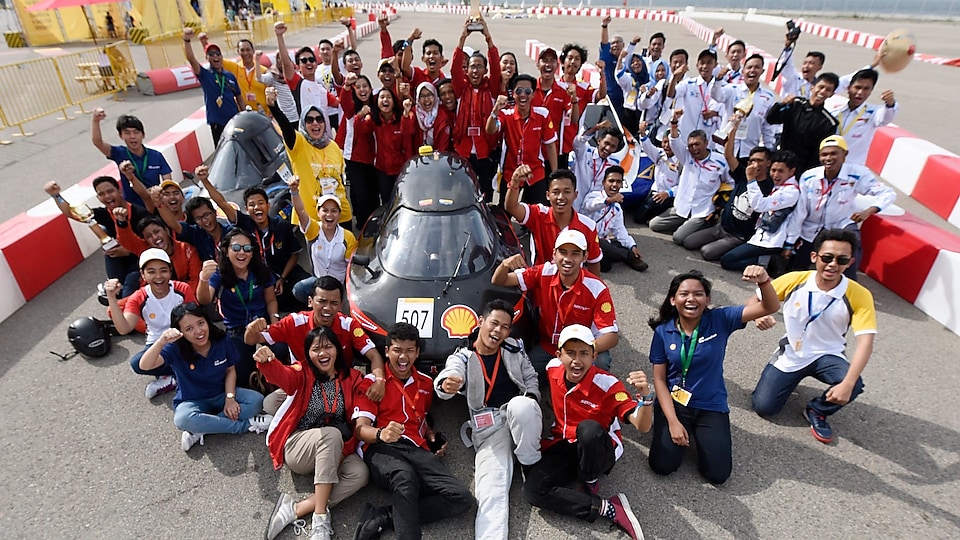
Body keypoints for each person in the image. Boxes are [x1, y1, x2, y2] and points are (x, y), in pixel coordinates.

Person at [647, 267, 779, 484]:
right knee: (662, 466)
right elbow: (660, 380)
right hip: (674, 403)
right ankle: (671, 424)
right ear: (673, 300)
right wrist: (672, 422)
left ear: (707, 299)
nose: (691, 299)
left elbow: (770, 306)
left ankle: (701, 433)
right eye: (684, 294)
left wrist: (764, 281)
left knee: (717, 475)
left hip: (711, 404)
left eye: (698, 294)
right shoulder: (663, 331)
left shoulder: (721, 318)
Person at [522, 324, 651, 540]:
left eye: (584, 353)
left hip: (599, 446)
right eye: (570, 353)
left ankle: (589, 479)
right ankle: (609, 508)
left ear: (594, 355)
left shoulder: (609, 385)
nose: (576, 360)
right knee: (532, 491)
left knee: (588, 429)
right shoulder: (552, 369)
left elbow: (643, 426)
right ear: (558, 355)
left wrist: (646, 398)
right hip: (564, 443)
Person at [750, 228, 875, 445]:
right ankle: (785, 378)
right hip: (792, 353)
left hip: (828, 355)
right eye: (827, 257)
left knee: (853, 383)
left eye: (841, 259)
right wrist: (757, 317)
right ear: (814, 257)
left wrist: (847, 383)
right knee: (764, 407)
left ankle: (817, 410)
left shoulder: (859, 294)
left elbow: (866, 342)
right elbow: (753, 301)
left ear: (850, 262)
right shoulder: (794, 280)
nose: (833, 264)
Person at [352, 323, 474, 540]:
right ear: (387, 351)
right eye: (397, 350)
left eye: (409, 350)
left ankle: (384, 517)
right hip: (381, 448)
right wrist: (381, 434)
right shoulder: (372, 383)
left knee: (461, 497)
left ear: (417, 352)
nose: (403, 357)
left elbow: (419, 416)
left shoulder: (426, 383)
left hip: (416, 449)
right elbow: (361, 430)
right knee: (404, 478)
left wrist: (430, 435)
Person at [434, 299, 541, 540]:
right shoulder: (462, 356)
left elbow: (531, 377)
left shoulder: (514, 347)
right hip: (489, 426)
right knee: (490, 489)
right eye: (494, 323)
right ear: (481, 322)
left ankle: (529, 463)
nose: (498, 331)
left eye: (505, 327)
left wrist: (532, 397)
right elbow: (450, 374)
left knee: (522, 405)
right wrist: (446, 384)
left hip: (520, 415)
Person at [255, 327, 369, 540]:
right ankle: (319, 521)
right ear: (308, 354)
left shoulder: (353, 378)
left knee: (360, 473)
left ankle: (296, 508)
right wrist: (267, 362)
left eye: (328, 347)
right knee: (332, 435)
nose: (323, 353)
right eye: (316, 349)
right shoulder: (303, 371)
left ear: (337, 350)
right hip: (300, 447)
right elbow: (284, 376)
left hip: (337, 449)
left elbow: (360, 415)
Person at [138, 302, 272, 451]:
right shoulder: (175, 348)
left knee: (256, 401)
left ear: (207, 321)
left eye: (201, 323)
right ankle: (244, 425)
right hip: (192, 400)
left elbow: (230, 370)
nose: (198, 331)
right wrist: (161, 341)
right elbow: (144, 365)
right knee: (182, 419)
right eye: (189, 329)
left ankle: (202, 427)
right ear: (180, 332)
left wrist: (229, 398)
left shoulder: (221, 339)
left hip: (221, 394)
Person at [244, 275, 387, 411]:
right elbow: (251, 340)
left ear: (340, 306)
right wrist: (252, 328)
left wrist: (380, 380)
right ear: (310, 301)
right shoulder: (294, 322)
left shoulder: (349, 325)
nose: (327, 308)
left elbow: (374, 356)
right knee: (270, 404)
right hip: (304, 383)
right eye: (322, 301)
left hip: (340, 383)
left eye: (334, 303)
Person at [492, 229, 618, 376]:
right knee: (522, 374)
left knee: (601, 361)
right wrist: (504, 265)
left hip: (583, 348)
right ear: (554, 254)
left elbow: (611, 337)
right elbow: (499, 280)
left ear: (585, 257)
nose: (567, 259)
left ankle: (592, 393)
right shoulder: (544, 271)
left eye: (575, 253)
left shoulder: (597, 288)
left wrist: (582, 351)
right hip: (549, 346)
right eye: (563, 252)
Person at [194, 166, 309, 311]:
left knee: (311, 286)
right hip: (259, 282)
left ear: (268, 205)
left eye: (260, 203)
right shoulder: (244, 224)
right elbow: (222, 203)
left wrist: (282, 278)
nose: (257, 207)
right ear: (247, 209)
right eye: (252, 205)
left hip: (287, 277)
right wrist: (205, 181)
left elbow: (294, 254)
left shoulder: (282, 226)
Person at [788, 135, 896, 279]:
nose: (828, 158)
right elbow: (800, 211)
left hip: (842, 225)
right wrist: (790, 241)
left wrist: (869, 211)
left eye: (834, 153)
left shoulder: (858, 174)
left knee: (850, 252)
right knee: (794, 270)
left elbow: (888, 193)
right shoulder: (809, 177)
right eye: (824, 154)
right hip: (811, 229)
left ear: (844, 155)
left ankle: (848, 288)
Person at [104, 248, 195, 399]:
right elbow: (124, 328)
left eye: (163, 270)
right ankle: (178, 376)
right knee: (137, 363)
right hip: (158, 342)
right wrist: (112, 298)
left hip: (184, 339)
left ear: (170, 271)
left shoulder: (182, 289)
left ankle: (176, 375)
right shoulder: (139, 297)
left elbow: (195, 319)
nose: (158, 277)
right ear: (143, 275)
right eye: (151, 272)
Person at [196, 228, 280, 389]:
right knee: (241, 373)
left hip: (262, 323)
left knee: (281, 351)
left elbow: (270, 300)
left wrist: (275, 322)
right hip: (237, 328)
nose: (242, 253)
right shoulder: (219, 274)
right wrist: (203, 279)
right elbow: (204, 298)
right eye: (236, 248)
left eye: (247, 249)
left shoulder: (261, 270)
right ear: (226, 251)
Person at [266, 87, 352, 228]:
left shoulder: (333, 147)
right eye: (310, 120)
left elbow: (341, 179)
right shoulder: (298, 144)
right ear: (303, 125)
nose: (315, 123)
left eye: (319, 119)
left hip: (340, 214)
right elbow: (286, 127)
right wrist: (273, 107)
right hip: (311, 218)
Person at [649, 109, 733, 245]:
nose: (693, 148)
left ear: (706, 143)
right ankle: (686, 226)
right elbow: (675, 141)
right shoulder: (686, 156)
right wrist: (674, 123)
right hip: (681, 207)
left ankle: (704, 225)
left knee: (678, 238)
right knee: (654, 225)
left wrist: (719, 204)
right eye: (691, 145)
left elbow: (729, 183)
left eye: (697, 144)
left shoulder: (720, 161)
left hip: (702, 210)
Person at [681, 141, 773, 261]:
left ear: (768, 163)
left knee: (706, 252)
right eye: (752, 161)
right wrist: (734, 128)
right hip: (721, 227)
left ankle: (737, 249)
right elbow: (729, 156)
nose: (755, 165)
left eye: (759, 160)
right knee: (688, 242)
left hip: (737, 236)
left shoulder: (770, 187)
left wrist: (751, 179)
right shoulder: (743, 175)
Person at [44, 177, 146, 284]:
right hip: (118, 259)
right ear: (98, 197)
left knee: (130, 281)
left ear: (119, 191)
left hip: (142, 258)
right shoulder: (103, 214)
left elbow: (154, 244)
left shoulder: (139, 214)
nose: (107, 196)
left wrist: (128, 251)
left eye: (110, 191)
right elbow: (71, 213)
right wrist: (56, 195)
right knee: (110, 254)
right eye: (101, 194)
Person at [503, 167, 602, 274]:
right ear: (548, 195)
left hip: (572, 287)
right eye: (556, 192)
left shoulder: (589, 226)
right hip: (539, 283)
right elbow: (511, 207)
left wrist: (594, 288)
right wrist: (515, 182)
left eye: (567, 192)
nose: (561, 197)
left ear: (575, 195)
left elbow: (594, 262)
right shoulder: (538, 214)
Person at [721, 150, 802, 271]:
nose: (775, 175)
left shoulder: (791, 192)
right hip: (760, 236)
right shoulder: (780, 186)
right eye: (773, 170)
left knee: (727, 261)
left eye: (780, 171)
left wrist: (751, 180)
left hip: (771, 242)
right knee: (729, 257)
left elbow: (759, 205)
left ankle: (770, 261)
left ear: (792, 171)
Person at [486, 75, 558, 205]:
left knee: (539, 213)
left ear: (533, 94)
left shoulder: (543, 114)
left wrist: (555, 175)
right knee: (504, 213)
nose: (523, 95)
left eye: (528, 91)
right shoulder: (505, 115)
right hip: (510, 172)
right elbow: (490, 130)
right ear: (513, 94)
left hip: (535, 172)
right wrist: (495, 111)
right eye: (519, 91)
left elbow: (551, 146)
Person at [451, 17, 501, 202]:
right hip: (463, 150)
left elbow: (496, 68)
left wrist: (488, 37)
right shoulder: (461, 89)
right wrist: (462, 38)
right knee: (462, 191)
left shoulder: (492, 88)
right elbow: (455, 69)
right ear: (467, 69)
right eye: (472, 66)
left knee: (485, 193)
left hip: (485, 151)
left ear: (485, 70)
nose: (475, 70)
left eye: (480, 66)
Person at [288, 178, 357, 297]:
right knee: (298, 290)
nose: (329, 215)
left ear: (339, 214)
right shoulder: (313, 230)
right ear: (318, 213)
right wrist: (294, 191)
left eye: (334, 211)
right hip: (319, 282)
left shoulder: (348, 237)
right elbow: (300, 211)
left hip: (339, 285)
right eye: (325, 210)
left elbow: (352, 268)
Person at [90, 108, 172, 208]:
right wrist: (95, 120)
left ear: (143, 135)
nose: (132, 136)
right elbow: (97, 142)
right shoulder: (119, 153)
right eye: (127, 133)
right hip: (132, 207)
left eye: (136, 132)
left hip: (156, 203)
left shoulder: (156, 156)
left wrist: (160, 193)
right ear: (121, 136)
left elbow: (168, 183)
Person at [765, 72, 840, 172]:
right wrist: (781, 104)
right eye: (821, 87)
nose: (822, 92)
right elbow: (771, 119)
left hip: (802, 169)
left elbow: (818, 153)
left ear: (831, 94)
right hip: (780, 163)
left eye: (828, 90)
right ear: (812, 87)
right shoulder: (796, 104)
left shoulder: (829, 122)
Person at [113, 214, 202, 297]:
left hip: (182, 297)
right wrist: (122, 223)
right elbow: (127, 241)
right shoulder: (146, 249)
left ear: (166, 230)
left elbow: (196, 280)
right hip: (152, 298)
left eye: (157, 231)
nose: (155, 237)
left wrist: (176, 296)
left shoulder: (187, 250)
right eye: (149, 236)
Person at [274, 22, 338, 137]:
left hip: (326, 140)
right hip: (308, 139)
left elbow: (339, 103)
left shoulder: (321, 89)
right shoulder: (298, 83)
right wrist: (279, 37)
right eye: (304, 61)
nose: (308, 62)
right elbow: (286, 64)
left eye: (311, 59)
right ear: (298, 67)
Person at [580, 166, 649, 272]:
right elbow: (590, 206)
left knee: (616, 245)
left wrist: (632, 246)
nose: (614, 185)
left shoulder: (617, 208)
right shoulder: (593, 196)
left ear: (622, 185)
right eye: (611, 181)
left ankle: (624, 253)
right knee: (606, 263)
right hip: (587, 240)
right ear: (603, 183)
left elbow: (620, 230)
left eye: (618, 182)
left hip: (602, 241)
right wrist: (608, 200)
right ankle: (628, 257)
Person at [354, 87, 415, 206]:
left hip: (400, 170)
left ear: (394, 102)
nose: (385, 100)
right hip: (382, 170)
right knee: (387, 202)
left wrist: (406, 113)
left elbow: (408, 132)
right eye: (382, 97)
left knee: (403, 201)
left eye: (388, 97)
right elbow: (360, 129)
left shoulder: (403, 117)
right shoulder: (373, 119)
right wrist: (360, 115)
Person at [182, 28, 242, 145]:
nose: (215, 56)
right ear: (207, 58)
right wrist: (186, 40)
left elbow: (239, 97)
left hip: (235, 121)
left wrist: (245, 114)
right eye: (211, 54)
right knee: (224, 154)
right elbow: (191, 59)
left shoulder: (229, 76)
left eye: (218, 54)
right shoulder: (205, 75)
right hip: (218, 124)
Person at [826, 69, 897, 166]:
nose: (860, 92)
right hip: (830, 166)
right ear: (849, 88)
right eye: (857, 87)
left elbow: (885, 119)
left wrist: (890, 104)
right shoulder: (835, 113)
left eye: (866, 89)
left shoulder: (874, 113)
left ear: (871, 91)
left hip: (854, 169)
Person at [337, 72, 379, 228]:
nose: (362, 90)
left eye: (365, 86)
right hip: (355, 159)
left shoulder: (377, 104)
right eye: (358, 87)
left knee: (374, 195)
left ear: (370, 88)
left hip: (374, 158)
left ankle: (375, 225)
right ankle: (362, 226)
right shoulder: (351, 108)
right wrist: (347, 86)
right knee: (361, 195)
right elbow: (344, 99)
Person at [532, 47, 577, 170]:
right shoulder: (529, 89)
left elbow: (573, 119)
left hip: (556, 152)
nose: (548, 64)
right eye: (544, 60)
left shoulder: (564, 90)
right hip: (532, 153)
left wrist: (574, 99)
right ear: (538, 64)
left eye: (552, 61)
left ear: (557, 66)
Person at [666, 49, 721, 141]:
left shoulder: (720, 86)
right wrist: (675, 76)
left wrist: (714, 113)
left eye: (709, 63)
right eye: (702, 63)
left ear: (715, 65)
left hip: (709, 137)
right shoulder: (689, 84)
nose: (705, 66)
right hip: (687, 136)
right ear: (697, 65)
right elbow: (671, 94)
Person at [571, 120, 623, 212]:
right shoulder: (585, 152)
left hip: (594, 208)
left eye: (613, 146)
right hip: (574, 203)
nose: (608, 148)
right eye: (606, 143)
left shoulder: (614, 164)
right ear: (599, 140)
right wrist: (596, 127)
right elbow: (578, 142)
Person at [633, 120, 678, 224]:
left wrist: (668, 193)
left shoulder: (682, 161)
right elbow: (648, 148)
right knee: (638, 217)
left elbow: (683, 185)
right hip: (655, 192)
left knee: (644, 218)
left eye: (670, 142)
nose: (667, 145)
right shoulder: (661, 154)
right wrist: (643, 133)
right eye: (664, 142)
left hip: (670, 196)